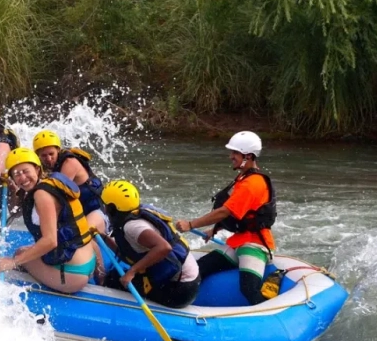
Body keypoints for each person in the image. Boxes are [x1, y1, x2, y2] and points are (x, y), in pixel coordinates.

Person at [176, 131, 279, 305]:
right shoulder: (243, 177)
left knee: (248, 289)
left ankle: (272, 294)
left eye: (235, 153)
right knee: (200, 268)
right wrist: (215, 229)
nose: (231, 156)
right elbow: (242, 213)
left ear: (248, 156)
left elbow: (225, 212)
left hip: (256, 245)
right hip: (239, 241)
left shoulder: (252, 184)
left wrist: (190, 224)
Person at [0, 148, 98, 293]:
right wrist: (12, 190)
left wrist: (12, 263)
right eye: (16, 174)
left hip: (71, 274)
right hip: (86, 262)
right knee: (25, 251)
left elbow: (50, 241)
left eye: (25, 171)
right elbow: (16, 210)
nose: (22, 178)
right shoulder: (50, 182)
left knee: (19, 254)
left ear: (37, 169)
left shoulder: (42, 195)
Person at [99, 180, 201, 308]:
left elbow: (164, 247)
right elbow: (130, 253)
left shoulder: (132, 226)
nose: (104, 208)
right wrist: (104, 238)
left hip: (179, 290)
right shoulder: (133, 215)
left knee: (113, 280)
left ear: (113, 208)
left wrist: (132, 272)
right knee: (118, 275)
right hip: (186, 280)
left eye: (105, 205)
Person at [32, 130, 107, 231]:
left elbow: (56, 194)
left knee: (84, 235)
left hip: (98, 212)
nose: (49, 159)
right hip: (80, 215)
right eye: (44, 156)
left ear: (58, 150)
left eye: (51, 154)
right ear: (38, 156)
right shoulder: (44, 166)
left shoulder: (69, 163)